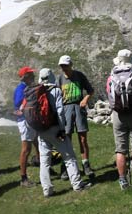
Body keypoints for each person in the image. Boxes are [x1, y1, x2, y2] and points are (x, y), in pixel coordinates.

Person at [36, 68, 91, 197]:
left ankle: (47, 190)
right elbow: (60, 112)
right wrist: (62, 129)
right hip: (54, 128)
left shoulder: (36, 92)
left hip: (41, 131)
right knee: (69, 156)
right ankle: (77, 185)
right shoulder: (55, 91)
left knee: (44, 161)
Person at [107, 50, 132, 190]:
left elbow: (110, 96)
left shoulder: (112, 76)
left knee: (120, 149)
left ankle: (123, 181)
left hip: (118, 115)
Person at [56, 55, 95, 179]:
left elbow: (90, 90)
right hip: (66, 108)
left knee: (82, 138)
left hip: (79, 107)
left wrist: (85, 99)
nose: (64, 68)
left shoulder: (79, 75)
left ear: (71, 64)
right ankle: (66, 167)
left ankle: (86, 164)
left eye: (65, 66)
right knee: (66, 139)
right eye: (62, 66)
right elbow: (57, 96)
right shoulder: (60, 78)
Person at [14, 66, 39, 187]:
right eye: (31, 74)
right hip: (25, 120)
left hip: (30, 120)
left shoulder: (25, 87)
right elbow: (18, 103)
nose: (33, 76)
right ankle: (23, 178)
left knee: (38, 144)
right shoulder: (22, 88)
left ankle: (44, 168)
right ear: (26, 76)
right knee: (26, 149)